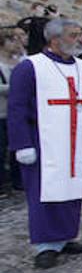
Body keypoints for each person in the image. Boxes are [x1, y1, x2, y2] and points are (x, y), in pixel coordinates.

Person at [6, 18, 82, 270]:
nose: (80, 39)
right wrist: (22, 144)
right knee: (45, 191)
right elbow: (17, 108)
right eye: (73, 35)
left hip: (76, 139)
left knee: (72, 188)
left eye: (80, 34)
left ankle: (66, 236)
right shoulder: (31, 67)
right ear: (55, 39)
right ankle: (45, 245)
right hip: (44, 141)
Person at [0, 27, 24, 194]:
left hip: (17, 112)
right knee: (1, 148)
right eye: (12, 40)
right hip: (1, 111)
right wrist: (16, 88)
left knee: (17, 145)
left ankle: (18, 180)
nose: (16, 43)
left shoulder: (21, 61)